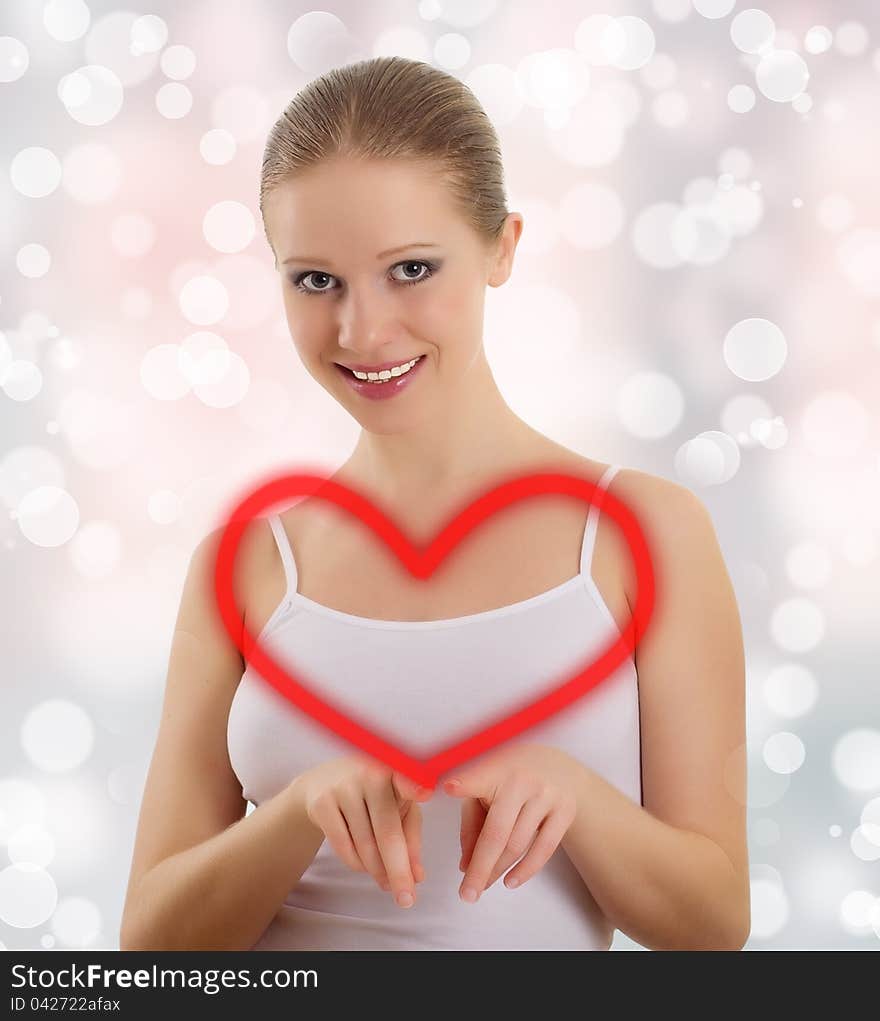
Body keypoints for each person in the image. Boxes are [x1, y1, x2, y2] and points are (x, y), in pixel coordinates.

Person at [120, 56, 749, 951]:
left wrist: (575, 796)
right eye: (314, 280)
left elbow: (715, 921)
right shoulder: (248, 564)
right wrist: (298, 812)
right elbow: (146, 945)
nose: (363, 331)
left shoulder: (644, 535)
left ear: (503, 245)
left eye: (410, 269)